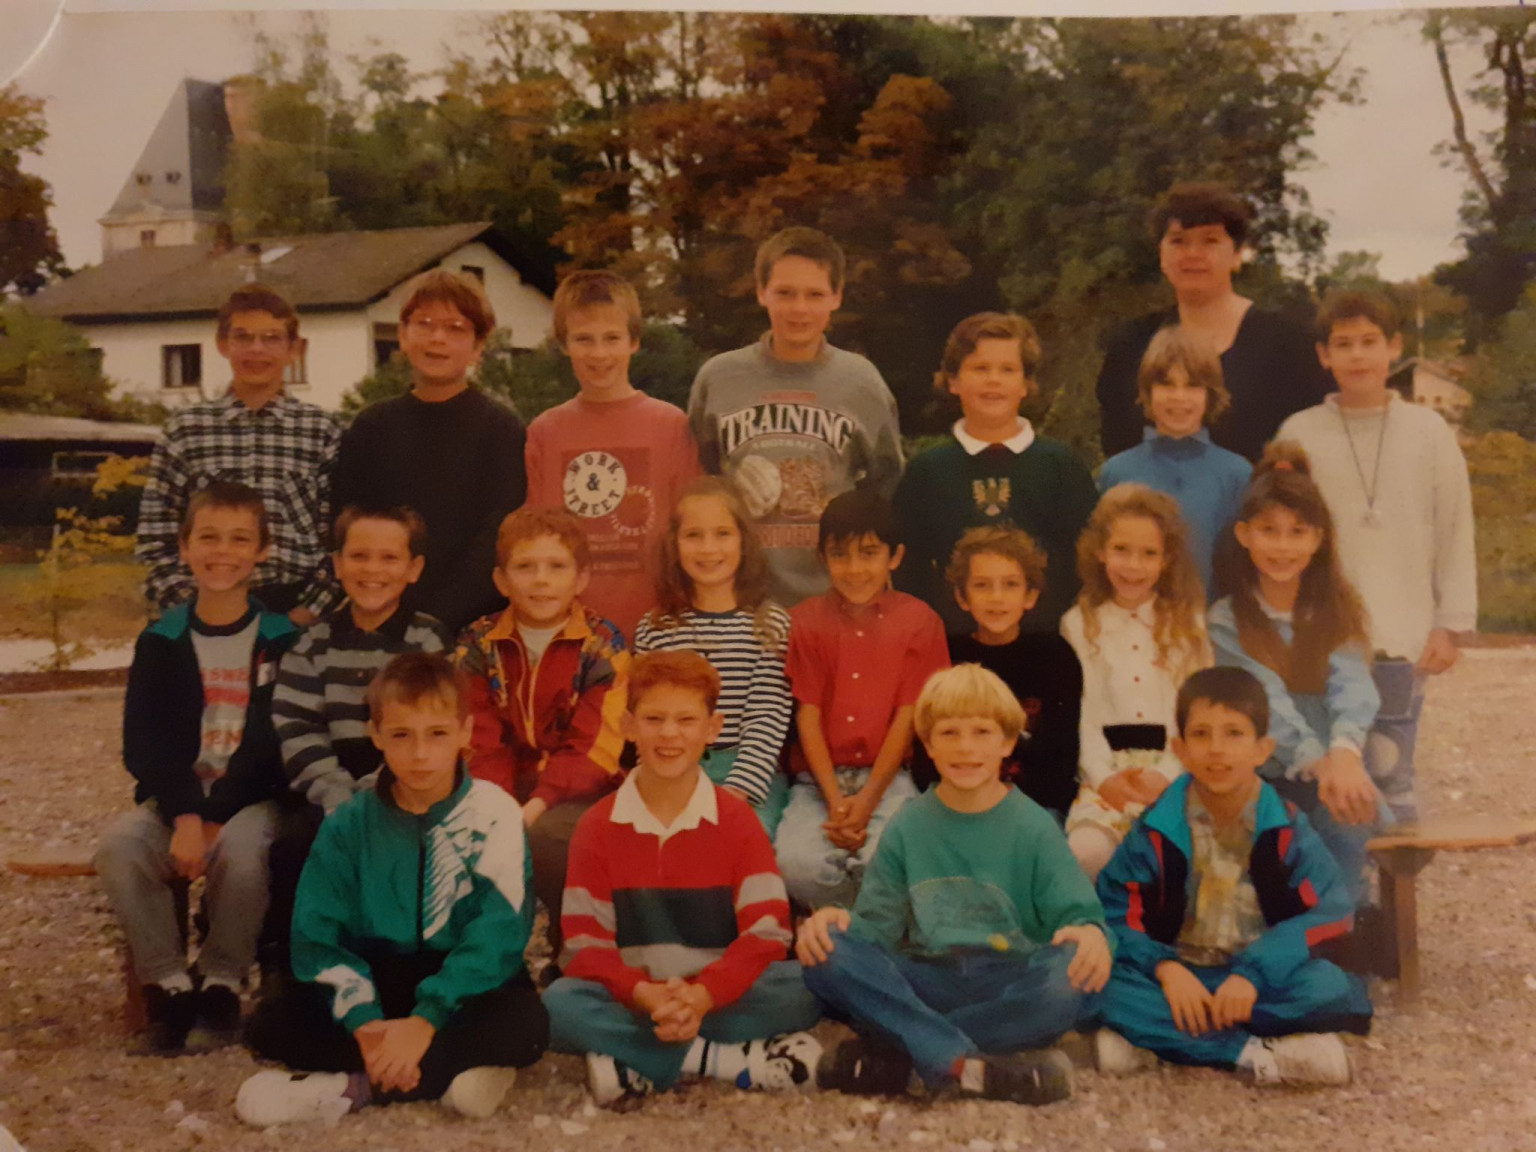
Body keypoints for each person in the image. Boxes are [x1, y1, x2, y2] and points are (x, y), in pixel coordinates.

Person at [238, 653, 548, 1125]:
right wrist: (364, 1023)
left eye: (437, 734)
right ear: (376, 735)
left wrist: (427, 1020)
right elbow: (318, 937)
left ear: (465, 732)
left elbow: (499, 933)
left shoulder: (495, 814)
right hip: (376, 975)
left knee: (527, 1026)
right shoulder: (348, 824)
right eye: (402, 735)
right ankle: (454, 1071)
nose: (420, 754)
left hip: (462, 981)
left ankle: (353, 1087)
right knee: (273, 1024)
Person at [797, 664, 1110, 1103]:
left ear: (1006, 742)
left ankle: (908, 1052)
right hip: (930, 978)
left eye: (982, 732)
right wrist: (837, 922)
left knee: (1070, 977)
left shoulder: (1034, 826)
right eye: (949, 733)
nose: (965, 748)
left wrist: (1092, 935)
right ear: (927, 744)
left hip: (1009, 978)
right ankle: (966, 1063)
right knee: (823, 949)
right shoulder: (908, 825)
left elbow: (1082, 917)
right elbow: (876, 929)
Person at [544, 650, 823, 1106]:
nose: (669, 734)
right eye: (653, 719)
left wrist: (701, 996)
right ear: (629, 726)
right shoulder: (598, 825)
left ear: (712, 728)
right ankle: (727, 1061)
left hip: (718, 995)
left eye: (686, 720)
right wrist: (649, 996)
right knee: (559, 1005)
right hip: (637, 994)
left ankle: (635, 1056)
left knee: (806, 990)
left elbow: (768, 932)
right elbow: (583, 945)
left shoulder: (736, 820)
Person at [1095, 666, 1372, 1085]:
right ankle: (1253, 1053)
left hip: (1257, 976)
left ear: (1263, 749)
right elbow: (1115, 912)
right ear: (1180, 749)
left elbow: (1328, 911)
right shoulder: (1156, 828)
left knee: (1327, 987)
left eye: (1234, 734)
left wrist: (1252, 974)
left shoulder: (1286, 826)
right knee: (1101, 987)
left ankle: (1161, 1041)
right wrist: (1166, 970)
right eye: (1201, 735)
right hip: (1180, 971)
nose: (1216, 750)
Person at [97, 481, 298, 1052]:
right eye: (208, 537)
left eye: (240, 539)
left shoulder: (283, 639)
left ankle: (222, 981)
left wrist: (214, 813)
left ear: (263, 551)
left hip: (249, 799)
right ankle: (169, 983)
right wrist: (186, 812)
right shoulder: (161, 640)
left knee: (241, 850)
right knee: (120, 847)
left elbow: (274, 742)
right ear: (184, 547)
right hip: (178, 800)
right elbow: (145, 745)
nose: (223, 551)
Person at [1277, 290, 1477, 821]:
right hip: (1323, 633)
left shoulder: (1430, 432)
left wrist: (1450, 625)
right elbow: (1279, 533)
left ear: (1394, 347)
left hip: (1403, 638)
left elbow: (1456, 529)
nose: (1358, 356)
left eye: (1370, 342)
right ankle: (1348, 899)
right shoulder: (1299, 434)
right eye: (1344, 345)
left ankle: (1395, 899)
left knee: (1391, 776)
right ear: (1324, 355)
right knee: (1331, 777)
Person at [266, 505, 454, 979]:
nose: (373, 570)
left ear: (413, 569)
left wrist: (381, 789)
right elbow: (297, 727)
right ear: (336, 564)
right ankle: (293, 969)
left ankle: (405, 968)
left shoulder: (426, 640)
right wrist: (335, 795)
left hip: (403, 782)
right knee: (295, 847)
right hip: (327, 786)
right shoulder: (311, 644)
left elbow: (429, 724)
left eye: (389, 559)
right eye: (360, 556)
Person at [687, 226, 904, 606]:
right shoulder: (719, 378)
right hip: (739, 598)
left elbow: (886, 482)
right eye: (785, 293)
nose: (799, 308)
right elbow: (701, 475)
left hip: (835, 597)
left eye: (815, 294)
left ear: (836, 296)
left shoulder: (861, 381)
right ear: (761, 291)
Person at [1207, 444, 1384, 906]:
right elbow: (1264, 700)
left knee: (1350, 811)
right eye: (1269, 531)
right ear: (1245, 535)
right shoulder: (1227, 619)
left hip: (1336, 769)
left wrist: (1343, 755)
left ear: (1317, 539)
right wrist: (1318, 762)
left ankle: (1343, 932)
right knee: (1283, 834)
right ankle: (1297, 932)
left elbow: (1353, 687)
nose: (1282, 547)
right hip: (1270, 770)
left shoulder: (1336, 610)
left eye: (1296, 532)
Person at [455, 506, 629, 970]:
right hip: (497, 788)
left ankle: (571, 946)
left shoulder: (602, 643)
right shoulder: (477, 643)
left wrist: (536, 805)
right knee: (466, 835)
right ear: (501, 579)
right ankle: (487, 957)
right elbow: (478, 737)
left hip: (576, 791)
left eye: (557, 567)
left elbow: (595, 746)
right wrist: (501, 806)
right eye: (525, 567)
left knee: (555, 838)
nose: (541, 580)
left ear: (581, 578)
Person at [775, 490, 949, 909]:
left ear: (895, 556)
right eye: (841, 555)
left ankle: (850, 928)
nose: (855, 570)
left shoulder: (919, 621)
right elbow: (808, 716)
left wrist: (869, 798)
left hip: (890, 780)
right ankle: (857, 922)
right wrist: (836, 803)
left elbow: (909, 717)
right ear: (822, 558)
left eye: (869, 554)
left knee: (886, 860)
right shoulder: (805, 621)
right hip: (817, 783)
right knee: (794, 864)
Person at [332, 269, 526, 635]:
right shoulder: (370, 428)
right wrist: (394, 615)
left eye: (455, 328)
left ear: (478, 346)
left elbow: (497, 536)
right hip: (381, 620)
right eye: (424, 324)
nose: (438, 338)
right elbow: (348, 527)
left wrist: (436, 621)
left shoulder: (502, 430)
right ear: (403, 336)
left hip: (476, 626)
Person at [135, 284, 338, 623]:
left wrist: (305, 613)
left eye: (272, 338)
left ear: (294, 350)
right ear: (222, 344)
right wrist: (193, 613)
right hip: (201, 607)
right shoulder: (186, 430)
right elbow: (155, 539)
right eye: (243, 337)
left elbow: (340, 540)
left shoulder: (322, 431)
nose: (257, 350)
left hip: (292, 612)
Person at [1096, 182, 1331, 463]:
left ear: (1237, 255)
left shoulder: (1291, 345)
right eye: (1178, 241)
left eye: (1210, 240)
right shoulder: (1130, 348)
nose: (1193, 253)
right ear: (1161, 254)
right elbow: (1117, 451)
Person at [895, 311, 1097, 633]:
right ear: (953, 381)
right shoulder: (927, 472)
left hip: (1045, 646)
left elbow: (1086, 565)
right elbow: (908, 571)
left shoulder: (1061, 466)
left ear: (1026, 384)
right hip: (953, 652)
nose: (993, 379)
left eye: (1007, 370)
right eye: (980, 368)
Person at [525, 270, 700, 637]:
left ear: (634, 341)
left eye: (612, 338)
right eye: (584, 339)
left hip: (658, 627)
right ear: (564, 344)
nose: (599, 353)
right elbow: (534, 539)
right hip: (569, 632)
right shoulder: (545, 431)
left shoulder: (669, 425)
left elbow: (691, 529)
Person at [1060, 485, 1212, 880]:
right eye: (1121, 550)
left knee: (1178, 859)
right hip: (1108, 775)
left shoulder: (1187, 623)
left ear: (1167, 560)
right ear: (1100, 551)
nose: (1133, 566)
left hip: (1175, 771)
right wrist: (1104, 777)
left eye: (1149, 554)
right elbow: (1082, 715)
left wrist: (1167, 772)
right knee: (1085, 851)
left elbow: (1198, 710)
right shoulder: (1079, 624)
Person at [634, 476, 794, 834]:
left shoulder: (769, 624)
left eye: (722, 534)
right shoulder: (656, 627)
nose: (708, 549)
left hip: (748, 775)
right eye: (693, 536)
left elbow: (766, 718)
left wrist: (735, 793)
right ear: (674, 545)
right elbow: (648, 717)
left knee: (738, 842)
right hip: (669, 767)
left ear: (744, 541)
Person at [926, 525, 1081, 822]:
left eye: (1010, 585)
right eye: (982, 585)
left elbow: (1061, 760)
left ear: (1030, 595)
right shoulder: (947, 656)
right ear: (962, 596)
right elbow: (930, 750)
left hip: (1034, 805)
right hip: (959, 800)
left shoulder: (1055, 656)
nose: (996, 597)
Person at [1097, 326, 1252, 591]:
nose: (1179, 397)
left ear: (1209, 394)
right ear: (1148, 391)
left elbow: (1244, 566)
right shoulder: (1118, 471)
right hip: (1134, 625)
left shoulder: (1237, 474)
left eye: (1192, 385)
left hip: (1208, 624)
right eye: (1166, 384)